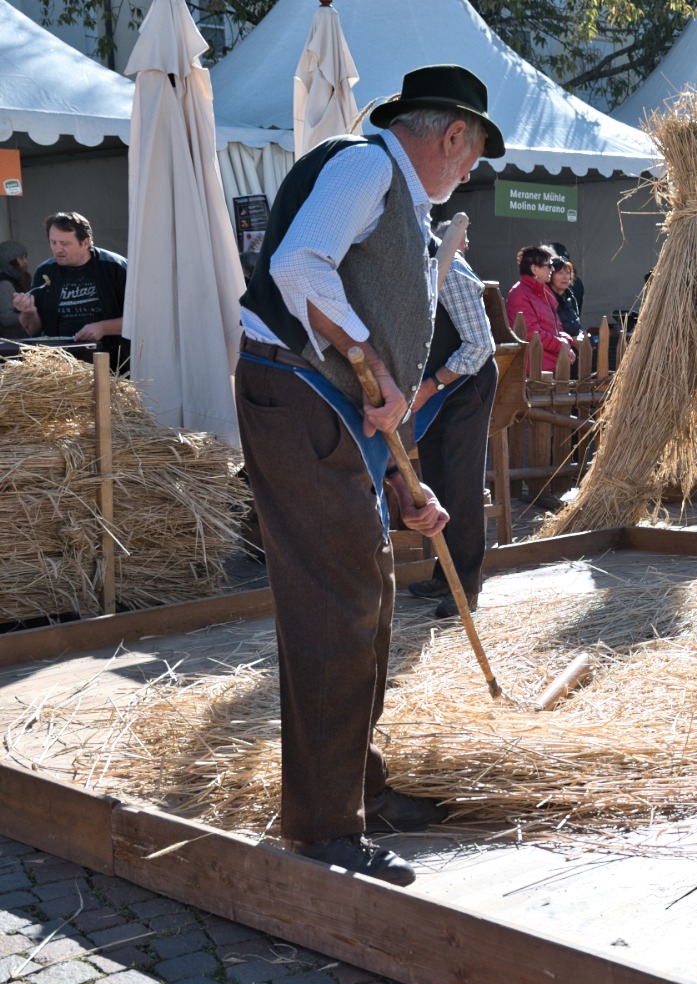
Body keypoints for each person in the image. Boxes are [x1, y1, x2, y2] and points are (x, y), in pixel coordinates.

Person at [236, 64, 503, 886]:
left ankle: (356, 790)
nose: (468, 174)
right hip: (294, 389)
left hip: (324, 406)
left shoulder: (398, 193)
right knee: (337, 601)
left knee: (369, 593)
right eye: (471, 157)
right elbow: (300, 266)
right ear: (452, 134)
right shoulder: (364, 164)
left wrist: (400, 481)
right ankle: (323, 830)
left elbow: (366, 357)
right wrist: (367, 361)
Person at [408, 220, 499, 621]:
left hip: (466, 383)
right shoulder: (409, 267)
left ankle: (467, 586)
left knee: (461, 484)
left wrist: (430, 386)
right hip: (432, 385)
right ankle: (444, 575)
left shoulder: (451, 269)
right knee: (436, 480)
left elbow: (481, 344)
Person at [11, 212, 129, 372]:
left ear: (85, 242)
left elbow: (141, 319)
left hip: (113, 365)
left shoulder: (116, 267)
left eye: (65, 243)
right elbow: (33, 330)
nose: (57, 249)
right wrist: (29, 312)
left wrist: (103, 327)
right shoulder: (45, 271)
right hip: (61, 370)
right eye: (53, 242)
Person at [506, 244, 572, 377]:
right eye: (548, 266)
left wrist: (566, 341)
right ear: (534, 269)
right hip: (535, 372)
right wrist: (562, 345)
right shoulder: (519, 294)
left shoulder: (545, 291)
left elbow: (557, 326)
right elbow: (531, 333)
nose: (552, 269)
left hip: (552, 366)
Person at [548, 253, 583, 338]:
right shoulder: (546, 299)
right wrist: (573, 341)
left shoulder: (570, 298)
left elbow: (576, 327)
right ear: (551, 276)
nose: (565, 277)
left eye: (568, 273)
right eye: (560, 273)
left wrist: (582, 336)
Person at [0, 240, 28, 339]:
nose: (25, 262)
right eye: (21, 258)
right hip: (10, 345)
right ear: (10, 262)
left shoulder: (15, 281)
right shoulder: (5, 284)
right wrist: (28, 316)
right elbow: (5, 317)